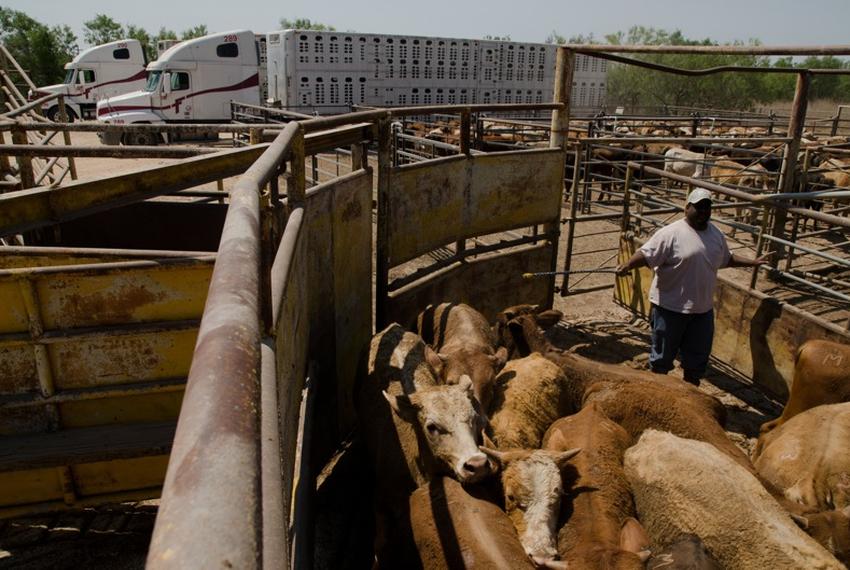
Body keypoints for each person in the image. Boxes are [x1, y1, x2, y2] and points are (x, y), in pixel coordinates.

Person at [615, 188, 768, 385]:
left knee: (696, 362)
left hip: (702, 310)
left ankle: (690, 393)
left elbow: (726, 259)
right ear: (687, 207)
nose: (704, 211)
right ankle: (656, 392)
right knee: (661, 360)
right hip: (670, 308)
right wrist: (628, 264)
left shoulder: (716, 235)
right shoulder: (670, 233)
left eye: (707, 207)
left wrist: (753, 262)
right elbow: (646, 254)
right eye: (698, 207)